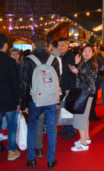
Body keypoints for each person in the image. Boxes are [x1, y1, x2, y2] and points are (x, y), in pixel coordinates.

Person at [20, 33, 60, 169]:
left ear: (32, 44)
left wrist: (24, 104)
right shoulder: (53, 59)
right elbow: (56, 81)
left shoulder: (27, 60)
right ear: (46, 44)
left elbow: (24, 84)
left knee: (32, 128)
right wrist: (57, 101)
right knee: (50, 129)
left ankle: (31, 159)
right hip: (51, 100)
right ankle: (50, 160)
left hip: (34, 100)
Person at [34, 37, 62, 158]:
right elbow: (58, 79)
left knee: (39, 122)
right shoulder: (55, 59)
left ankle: (39, 149)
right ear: (49, 45)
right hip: (52, 96)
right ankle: (52, 149)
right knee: (51, 124)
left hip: (38, 96)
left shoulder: (30, 59)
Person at [69, 44, 98, 151]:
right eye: (85, 51)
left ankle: (84, 143)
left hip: (86, 93)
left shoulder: (92, 64)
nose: (86, 53)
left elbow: (90, 80)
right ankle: (86, 138)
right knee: (84, 117)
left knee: (81, 117)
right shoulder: (84, 62)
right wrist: (76, 65)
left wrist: (78, 72)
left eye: (89, 51)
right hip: (83, 92)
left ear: (93, 53)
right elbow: (79, 77)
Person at [0, 33, 20, 160]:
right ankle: (12, 151)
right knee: (12, 126)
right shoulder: (10, 61)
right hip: (9, 98)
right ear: (6, 45)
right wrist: (19, 100)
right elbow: (15, 82)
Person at [57, 38, 76, 140]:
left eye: (62, 45)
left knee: (69, 108)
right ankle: (66, 126)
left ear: (67, 45)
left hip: (68, 86)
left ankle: (71, 130)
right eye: (59, 45)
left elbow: (72, 74)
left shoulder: (70, 57)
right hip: (62, 86)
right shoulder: (61, 56)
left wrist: (68, 87)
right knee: (63, 107)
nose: (60, 47)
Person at [88, 36, 102, 121]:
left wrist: (99, 70)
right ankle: (91, 115)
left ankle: (92, 114)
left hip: (95, 83)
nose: (96, 49)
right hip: (90, 84)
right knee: (90, 100)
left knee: (94, 100)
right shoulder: (89, 61)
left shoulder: (97, 60)